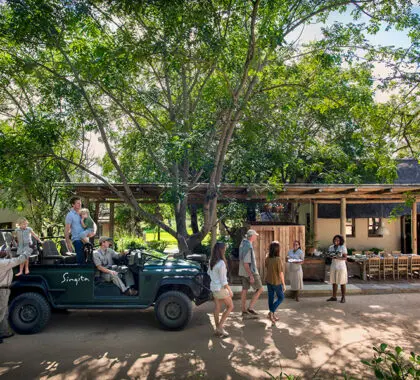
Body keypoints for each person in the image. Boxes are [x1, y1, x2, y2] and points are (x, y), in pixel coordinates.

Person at [0, 248, 32, 344]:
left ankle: (4, 332)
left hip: (4, 289)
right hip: (2, 290)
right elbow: (17, 260)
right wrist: (28, 252)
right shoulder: (3, 263)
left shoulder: (3, 262)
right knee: (1, 313)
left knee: (4, 312)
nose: (3, 252)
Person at [208, 242, 233, 338]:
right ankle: (220, 327)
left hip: (213, 287)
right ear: (221, 250)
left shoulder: (211, 260)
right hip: (220, 288)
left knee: (217, 307)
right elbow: (223, 280)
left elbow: (209, 273)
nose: (225, 250)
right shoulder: (221, 263)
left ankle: (217, 329)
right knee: (230, 306)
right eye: (225, 249)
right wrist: (229, 290)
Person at [239, 229, 263, 317]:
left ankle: (243, 310)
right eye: (255, 235)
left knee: (244, 290)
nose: (256, 237)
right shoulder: (248, 246)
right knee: (260, 289)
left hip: (242, 271)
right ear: (252, 236)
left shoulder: (243, 243)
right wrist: (251, 276)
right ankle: (250, 308)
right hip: (250, 271)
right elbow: (246, 263)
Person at [65, 197, 94, 264]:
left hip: (85, 239)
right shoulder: (70, 215)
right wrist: (68, 244)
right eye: (78, 203)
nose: (80, 204)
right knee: (81, 260)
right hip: (77, 240)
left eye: (80, 203)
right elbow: (66, 230)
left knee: (88, 260)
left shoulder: (84, 213)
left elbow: (93, 223)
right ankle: (79, 273)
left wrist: (93, 232)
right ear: (73, 204)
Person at [265, 241, 286, 323]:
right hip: (276, 282)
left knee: (271, 297)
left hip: (268, 281)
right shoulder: (278, 259)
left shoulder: (267, 258)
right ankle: (271, 312)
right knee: (281, 297)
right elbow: (281, 273)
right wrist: (284, 284)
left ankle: (271, 315)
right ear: (277, 250)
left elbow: (267, 267)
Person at [327, 234, 348, 303]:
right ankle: (334, 297)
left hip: (341, 267)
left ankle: (343, 297)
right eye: (335, 239)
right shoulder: (331, 247)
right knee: (334, 282)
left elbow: (345, 258)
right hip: (333, 266)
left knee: (342, 282)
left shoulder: (342, 247)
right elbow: (329, 255)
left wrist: (338, 257)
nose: (336, 241)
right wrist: (330, 256)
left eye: (338, 240)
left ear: (340, 241)